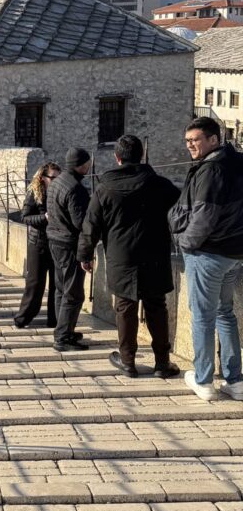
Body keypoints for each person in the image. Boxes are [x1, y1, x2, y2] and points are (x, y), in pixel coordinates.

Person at [78, 135, 181, 378]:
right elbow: (182, 213)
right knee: (157, 307)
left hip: (120, 257)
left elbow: (90, 225)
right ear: (142, 155)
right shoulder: (162, 185)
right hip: (155, 254)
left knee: (125, 307)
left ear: (117, 157)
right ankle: (162, 363)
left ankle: (128, 361)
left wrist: (85, 254)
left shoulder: (104, 188)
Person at [169, 116, 243, 401]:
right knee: (225, 313)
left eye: (195, 140)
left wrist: (185, 243)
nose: (190, 145)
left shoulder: (211, 170)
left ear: (214, 139)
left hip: (209, 252)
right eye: (187, 141)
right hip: (235, 254)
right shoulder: (238, 162)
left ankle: (203, 380)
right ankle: (234, 380)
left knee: (202, 316)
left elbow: (204, 216)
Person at [47, 147, 91, 352]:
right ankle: (63, 337)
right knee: (73, 294)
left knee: (61, 289)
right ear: (81, 165)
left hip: (54, 240)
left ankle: (63, 329)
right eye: (87, 163)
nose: (89, 166)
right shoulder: (75, 188)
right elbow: (80, 222)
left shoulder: (56, 182)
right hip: (68, 244)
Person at [14, 162, 61, 329]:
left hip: (56, 244)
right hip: (38, 243)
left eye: (58, 177)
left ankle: (54, 320)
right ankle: (22, 318)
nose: (55, 180)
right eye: (52, 177)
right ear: (43, 178)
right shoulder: (34, 194)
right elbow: (25, 217)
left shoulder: (59, 192)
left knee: (57, 285)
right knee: (35, 284)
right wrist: (44, 218)